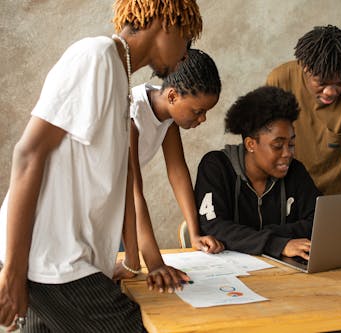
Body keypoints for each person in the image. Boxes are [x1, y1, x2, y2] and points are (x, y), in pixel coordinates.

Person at [0, 0, 202, 331]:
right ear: (167, 22)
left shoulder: (119, 77)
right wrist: (13, 271)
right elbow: (28, 153)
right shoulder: (95, 57)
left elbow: (115, 180)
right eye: (187, 36)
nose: (185, 53)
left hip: (57, 265)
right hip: (53, 265)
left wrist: (119, 262)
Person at [115, 49, 225, 292]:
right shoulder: (132, 115)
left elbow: (177, 172)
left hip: (117, 208)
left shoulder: (167, 117)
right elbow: (134, 191)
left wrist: (194, 233)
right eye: (198, 111)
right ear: (173, 96)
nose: (203, 119)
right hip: (100, 212)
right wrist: (154, 263)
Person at [194, 86, 322, 260]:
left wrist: (266, 233)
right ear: (251, 145)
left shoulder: (295, 171)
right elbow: (213, 226)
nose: (288, 153)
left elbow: (319, 221)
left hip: (282, 273)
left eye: (291, 144)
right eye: (277, 146)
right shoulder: (216, 167)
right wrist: (278, 243)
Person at [266, 25, 341, 195]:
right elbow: (266, 146)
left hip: (339, 202)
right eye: (321, 83)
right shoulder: (280, 80)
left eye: (340, 83)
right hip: (290, 199)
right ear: (305, 69)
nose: (330, 92)